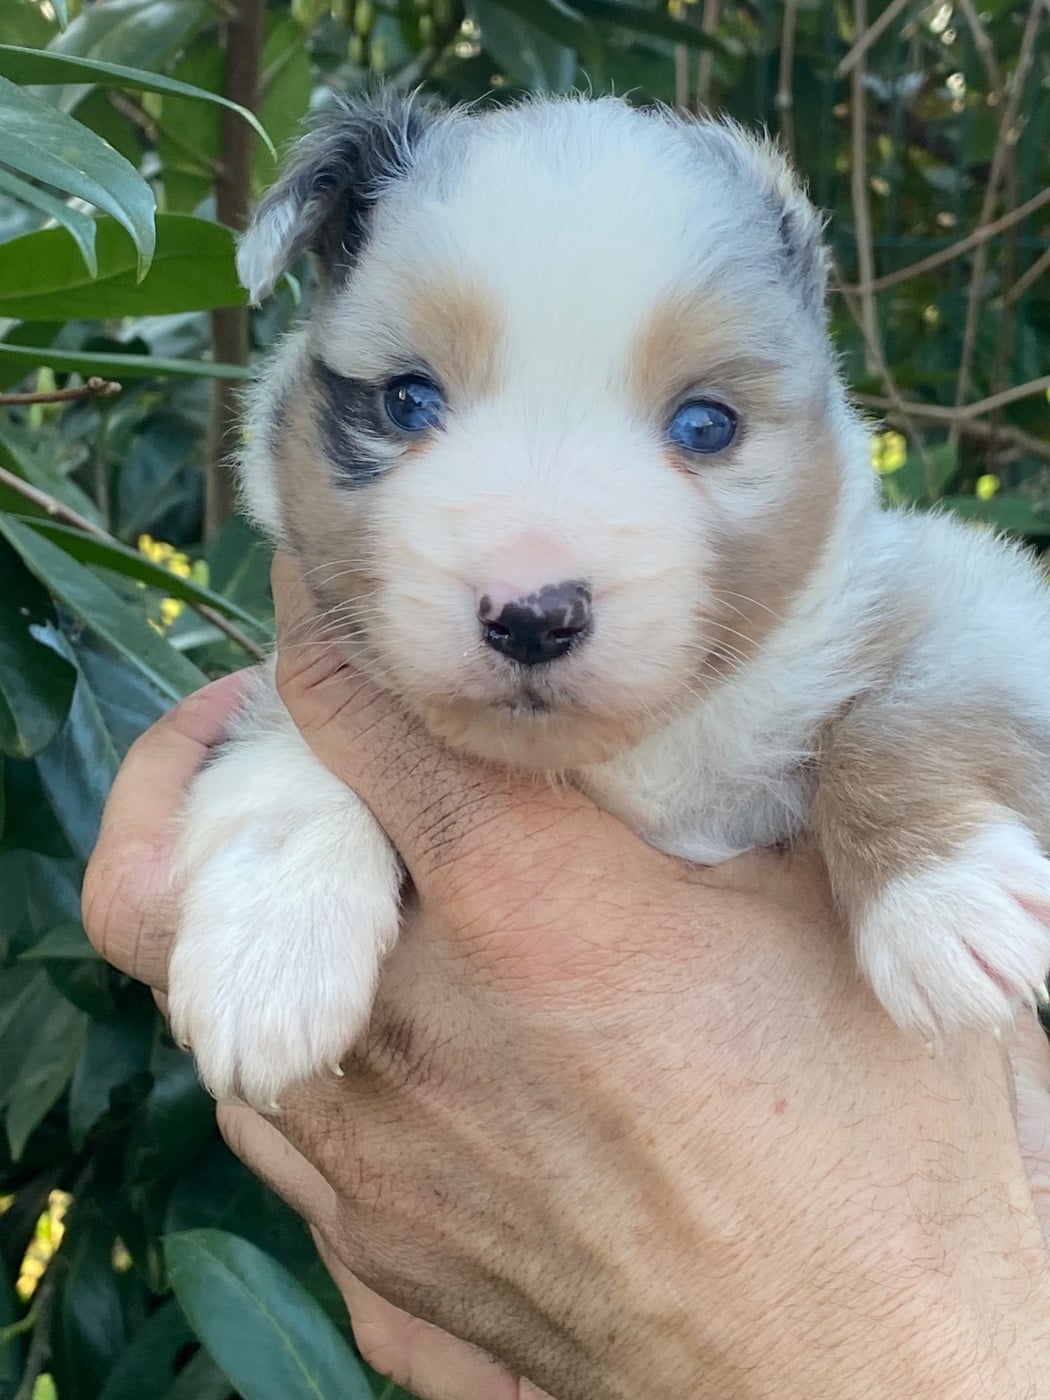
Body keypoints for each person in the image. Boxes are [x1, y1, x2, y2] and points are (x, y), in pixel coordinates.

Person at [83, 556, 1050, 1400]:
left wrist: (907, 822)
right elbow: (295, 745)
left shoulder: (840, 609)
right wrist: (300, 843)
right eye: (411, 408)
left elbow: (977, 613)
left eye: (701, 428)